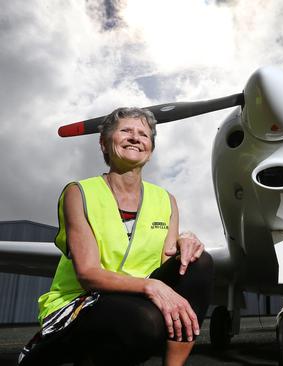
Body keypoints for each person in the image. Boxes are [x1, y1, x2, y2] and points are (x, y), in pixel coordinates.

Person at [18, 107, 214, 366]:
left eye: (144, 134)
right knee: (145, 321)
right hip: (84, 300)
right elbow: (88, 274)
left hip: (138, 299)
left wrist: (185, 240)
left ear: (150, 149)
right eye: (126, 131)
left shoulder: (166, 200)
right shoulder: (80, 192)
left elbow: (167, 257)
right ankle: (48, 350)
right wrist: (151, 286)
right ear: (104, 143)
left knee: (201, 263)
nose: (135, 138)